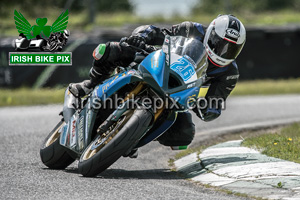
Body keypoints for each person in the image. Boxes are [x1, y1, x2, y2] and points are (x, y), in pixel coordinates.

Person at [69, 14, 246, 149]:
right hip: (158, 66)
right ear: (211, 34)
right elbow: (157, 32)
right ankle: (90, 84)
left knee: (183, 135)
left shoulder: (229, 73)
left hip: (178, 95)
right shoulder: (192, 29)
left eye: (231, 49)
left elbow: (215, 102)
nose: (224, 52)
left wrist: (207, 108)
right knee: (110, 50)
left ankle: (134, 135)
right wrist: (142, 36)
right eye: (221, 44)